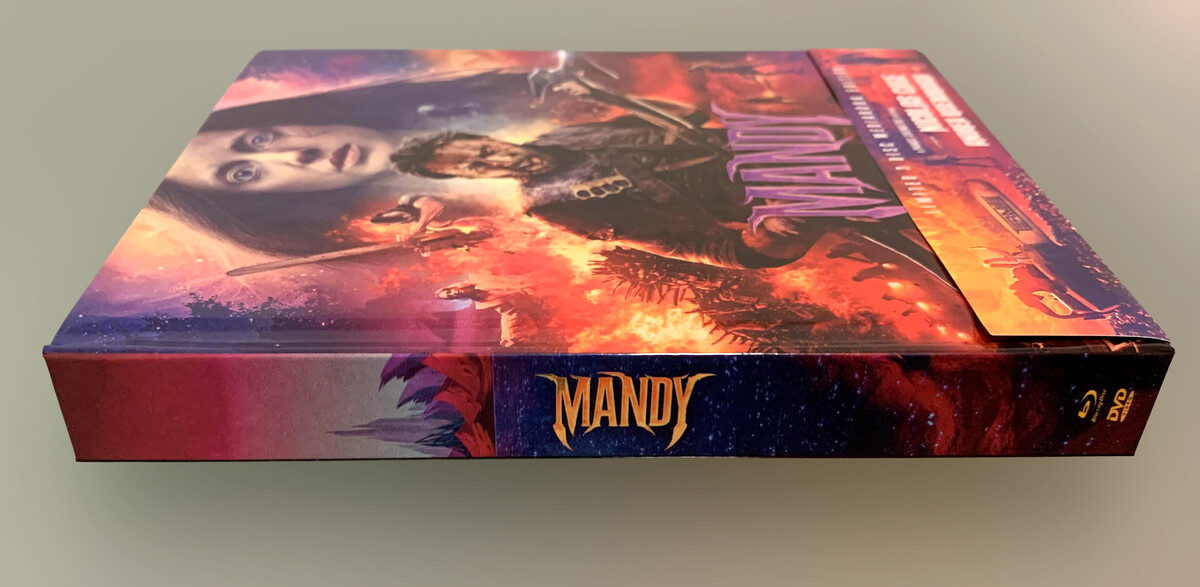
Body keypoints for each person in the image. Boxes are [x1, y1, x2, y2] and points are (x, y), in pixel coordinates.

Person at [388, 121, 813, 270]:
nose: (496, 159)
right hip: (778, 200)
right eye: (476, 168)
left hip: (783, 147)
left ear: (485, 137)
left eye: (483, 150)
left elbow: (682, 122)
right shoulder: (549, 204)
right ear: (470, 178)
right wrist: (757, 250)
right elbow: (675, 241)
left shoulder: (564, 135)